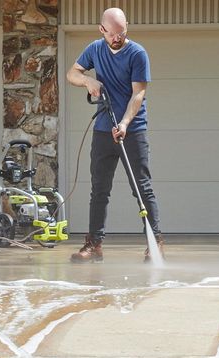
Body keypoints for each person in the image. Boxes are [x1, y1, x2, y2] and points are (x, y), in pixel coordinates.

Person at [66, 7, 163, 263]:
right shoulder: (95, 49)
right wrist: (88, 81)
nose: (117, 38)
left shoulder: (137, 53)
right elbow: (71, 74)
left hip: (133, 129)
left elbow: (138, 93)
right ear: (102, 30)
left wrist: (125, 123)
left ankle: (155, 243)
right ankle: (94, 244)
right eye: (112, 34)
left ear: (126, 27)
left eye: (122, 32)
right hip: (102, 130)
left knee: (142, 188)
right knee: (99, 189)